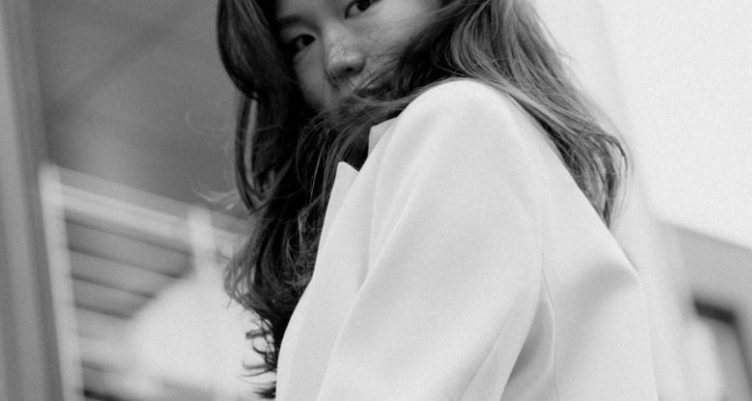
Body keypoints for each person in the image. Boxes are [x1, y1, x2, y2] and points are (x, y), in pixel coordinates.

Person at [217, 0, 659, 399]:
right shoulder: (453, 143)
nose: (338, 59)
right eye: (301, 41)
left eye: (361, 4)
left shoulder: (459, 121)